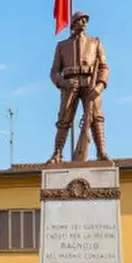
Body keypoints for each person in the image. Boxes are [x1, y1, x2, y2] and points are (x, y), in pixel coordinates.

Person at [47, 11, 110, 163]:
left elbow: (104, 67)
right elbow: (54, 72)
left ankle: (101, 153)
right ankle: (57, 154)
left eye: (85, 20)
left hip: (91, 84)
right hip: (70, 86)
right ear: (73, 24)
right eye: (81, 20)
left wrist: (100, 85)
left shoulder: (95, 42)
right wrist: (63, 82)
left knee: (96, 118)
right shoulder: (62, 46)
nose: (84, 23)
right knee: (64, 120)